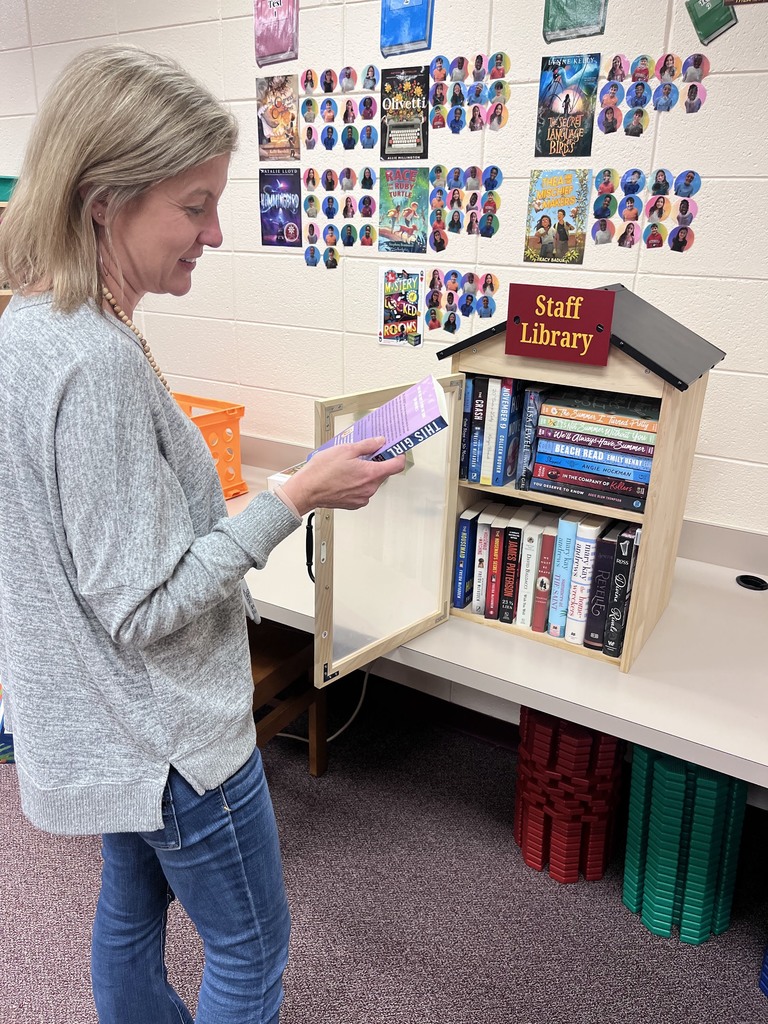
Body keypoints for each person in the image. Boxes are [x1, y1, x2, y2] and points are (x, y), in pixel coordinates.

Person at [0, 44, 406, 1024]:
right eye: (194, 204)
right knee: (253, 949)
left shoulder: (24, 327)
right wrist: (293, 496)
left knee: (131, 910)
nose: (216, 231)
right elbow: (142, 606)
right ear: (104, 198)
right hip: (172, 739)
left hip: (101, 729)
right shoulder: (93, 361)